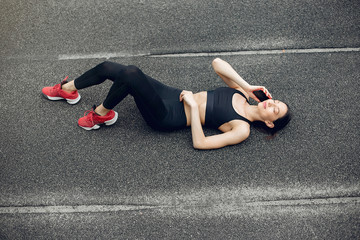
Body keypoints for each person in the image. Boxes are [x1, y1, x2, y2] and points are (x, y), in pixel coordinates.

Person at [42, 58, 291, 150]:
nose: (271, 104)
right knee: (111, 67)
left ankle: (101, 114)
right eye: (275, 101)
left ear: (270, 122)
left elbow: (201, 143)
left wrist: (194, 109)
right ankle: (67, 90)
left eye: (275, 110)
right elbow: (217, 63)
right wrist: (247, 86)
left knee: (130, 75)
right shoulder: (242, 94)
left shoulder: (242, 129)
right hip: (174, 94)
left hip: (168, 116)